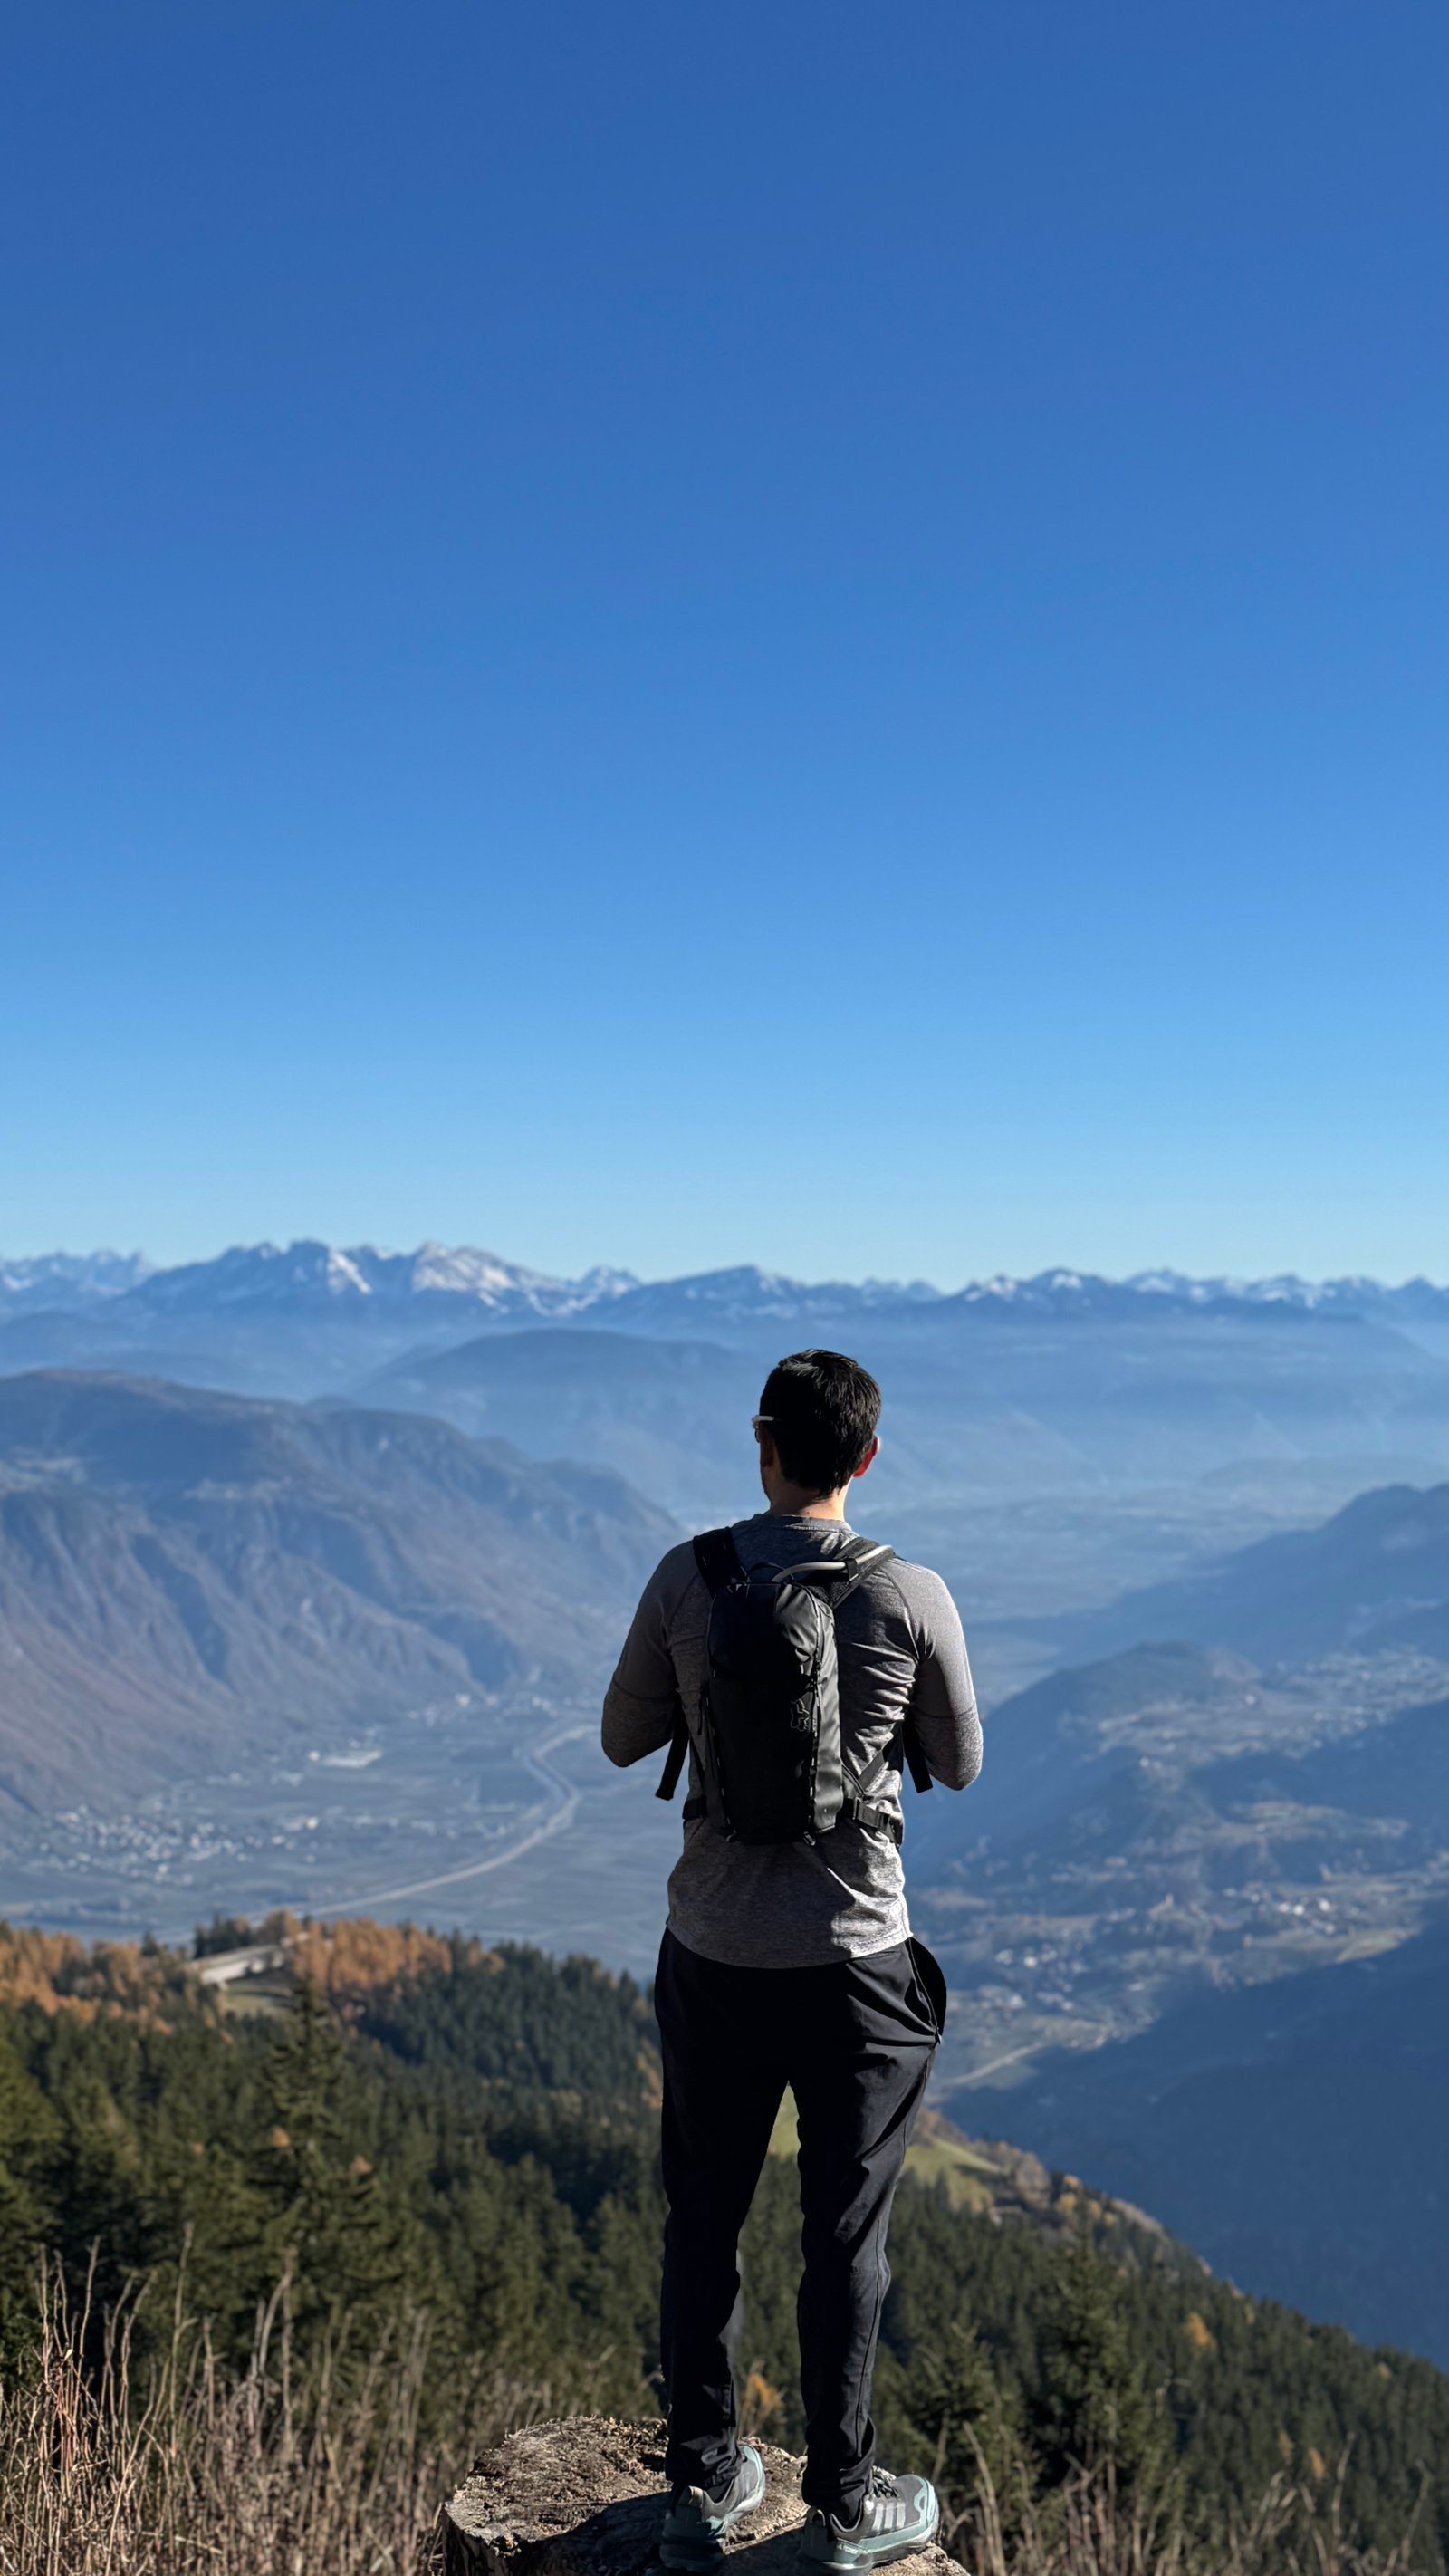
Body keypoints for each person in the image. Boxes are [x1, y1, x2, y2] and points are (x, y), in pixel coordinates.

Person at [602, 1348, 983, 2570]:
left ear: (761, 1445)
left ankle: (702, 2479)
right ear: (866, 1456)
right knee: (844, 2235)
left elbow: (622, 1739)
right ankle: (847, 2500)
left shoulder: (689, 1576)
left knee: (703, 2218)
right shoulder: (909, 1592)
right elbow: (961, 1761)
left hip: (713, 1950)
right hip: (858, 1965)